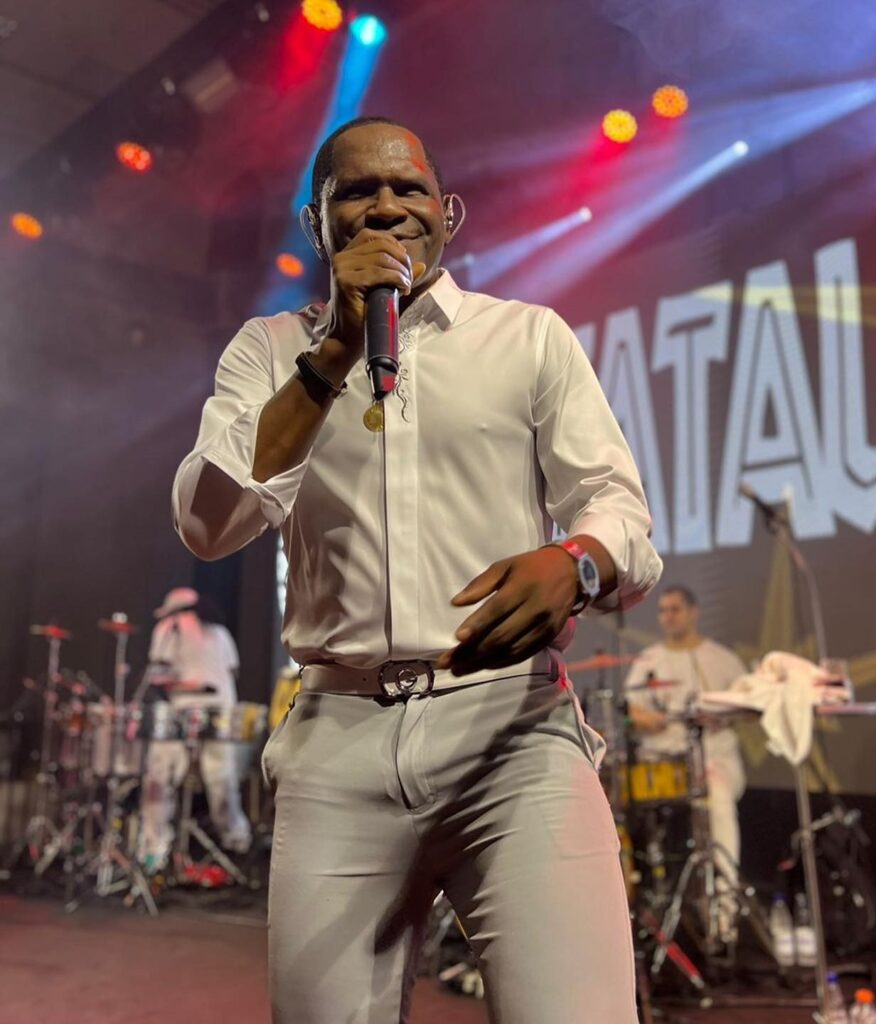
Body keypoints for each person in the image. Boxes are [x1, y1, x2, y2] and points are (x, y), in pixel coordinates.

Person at [171, 116, 662, 1023]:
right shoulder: (268, 349)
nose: (386, 206)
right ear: (316, 223)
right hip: (337, 738)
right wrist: (331, 356)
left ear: (449, 212)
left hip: (512, 729)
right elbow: (209, 522)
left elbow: (618, 509)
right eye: (356, 191)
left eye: (408, 188)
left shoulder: (528, 338)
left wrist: (577, 563)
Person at [624, 585, 747, 922]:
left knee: (717, 803)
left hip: (713, 761)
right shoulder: (649, 661)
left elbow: (748, 704)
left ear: (694, 612)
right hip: (662, 766)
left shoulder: (722, 659)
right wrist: (647, 719)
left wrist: (721, 715)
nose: (668, 617)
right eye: (663, 610)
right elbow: (631, 709)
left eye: (675, 609)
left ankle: (724, 909)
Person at [140, 587, 252, 871]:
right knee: (222, 780)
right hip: (222, 713)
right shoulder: (221, 632)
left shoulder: (169, 627)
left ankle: (154, 850)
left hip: (182, 713)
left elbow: (158, 675)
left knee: (160, 779)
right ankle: (236, 842)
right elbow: (232, 671)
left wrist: (185, 685)